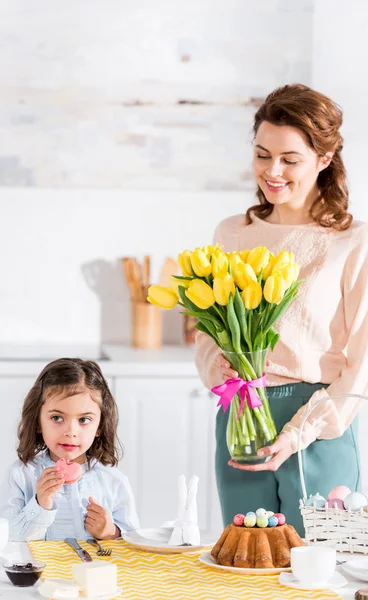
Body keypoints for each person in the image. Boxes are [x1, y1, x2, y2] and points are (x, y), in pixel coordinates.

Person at [195, 84, 368, 535]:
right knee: (245, 565)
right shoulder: (232, 233)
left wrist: (299, 431)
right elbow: (209, 333)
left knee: (325, 569)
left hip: (318, 424)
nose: (272, 171)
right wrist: (233, 385)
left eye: (290, 160)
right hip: (242, 418)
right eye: (262, 154)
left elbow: (363, 359)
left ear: (324, 159)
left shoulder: (353, 241)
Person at [0, 358, 139, 541]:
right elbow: (7, 540)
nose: (71, 432)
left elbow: (135, 541)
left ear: (100, 426)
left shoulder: (114, 481)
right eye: (57, 418)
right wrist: (40, 504)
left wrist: (111, 532)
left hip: (94, 569)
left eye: (83, 420)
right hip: (40, 570)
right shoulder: (20, 476)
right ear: (38, 421)